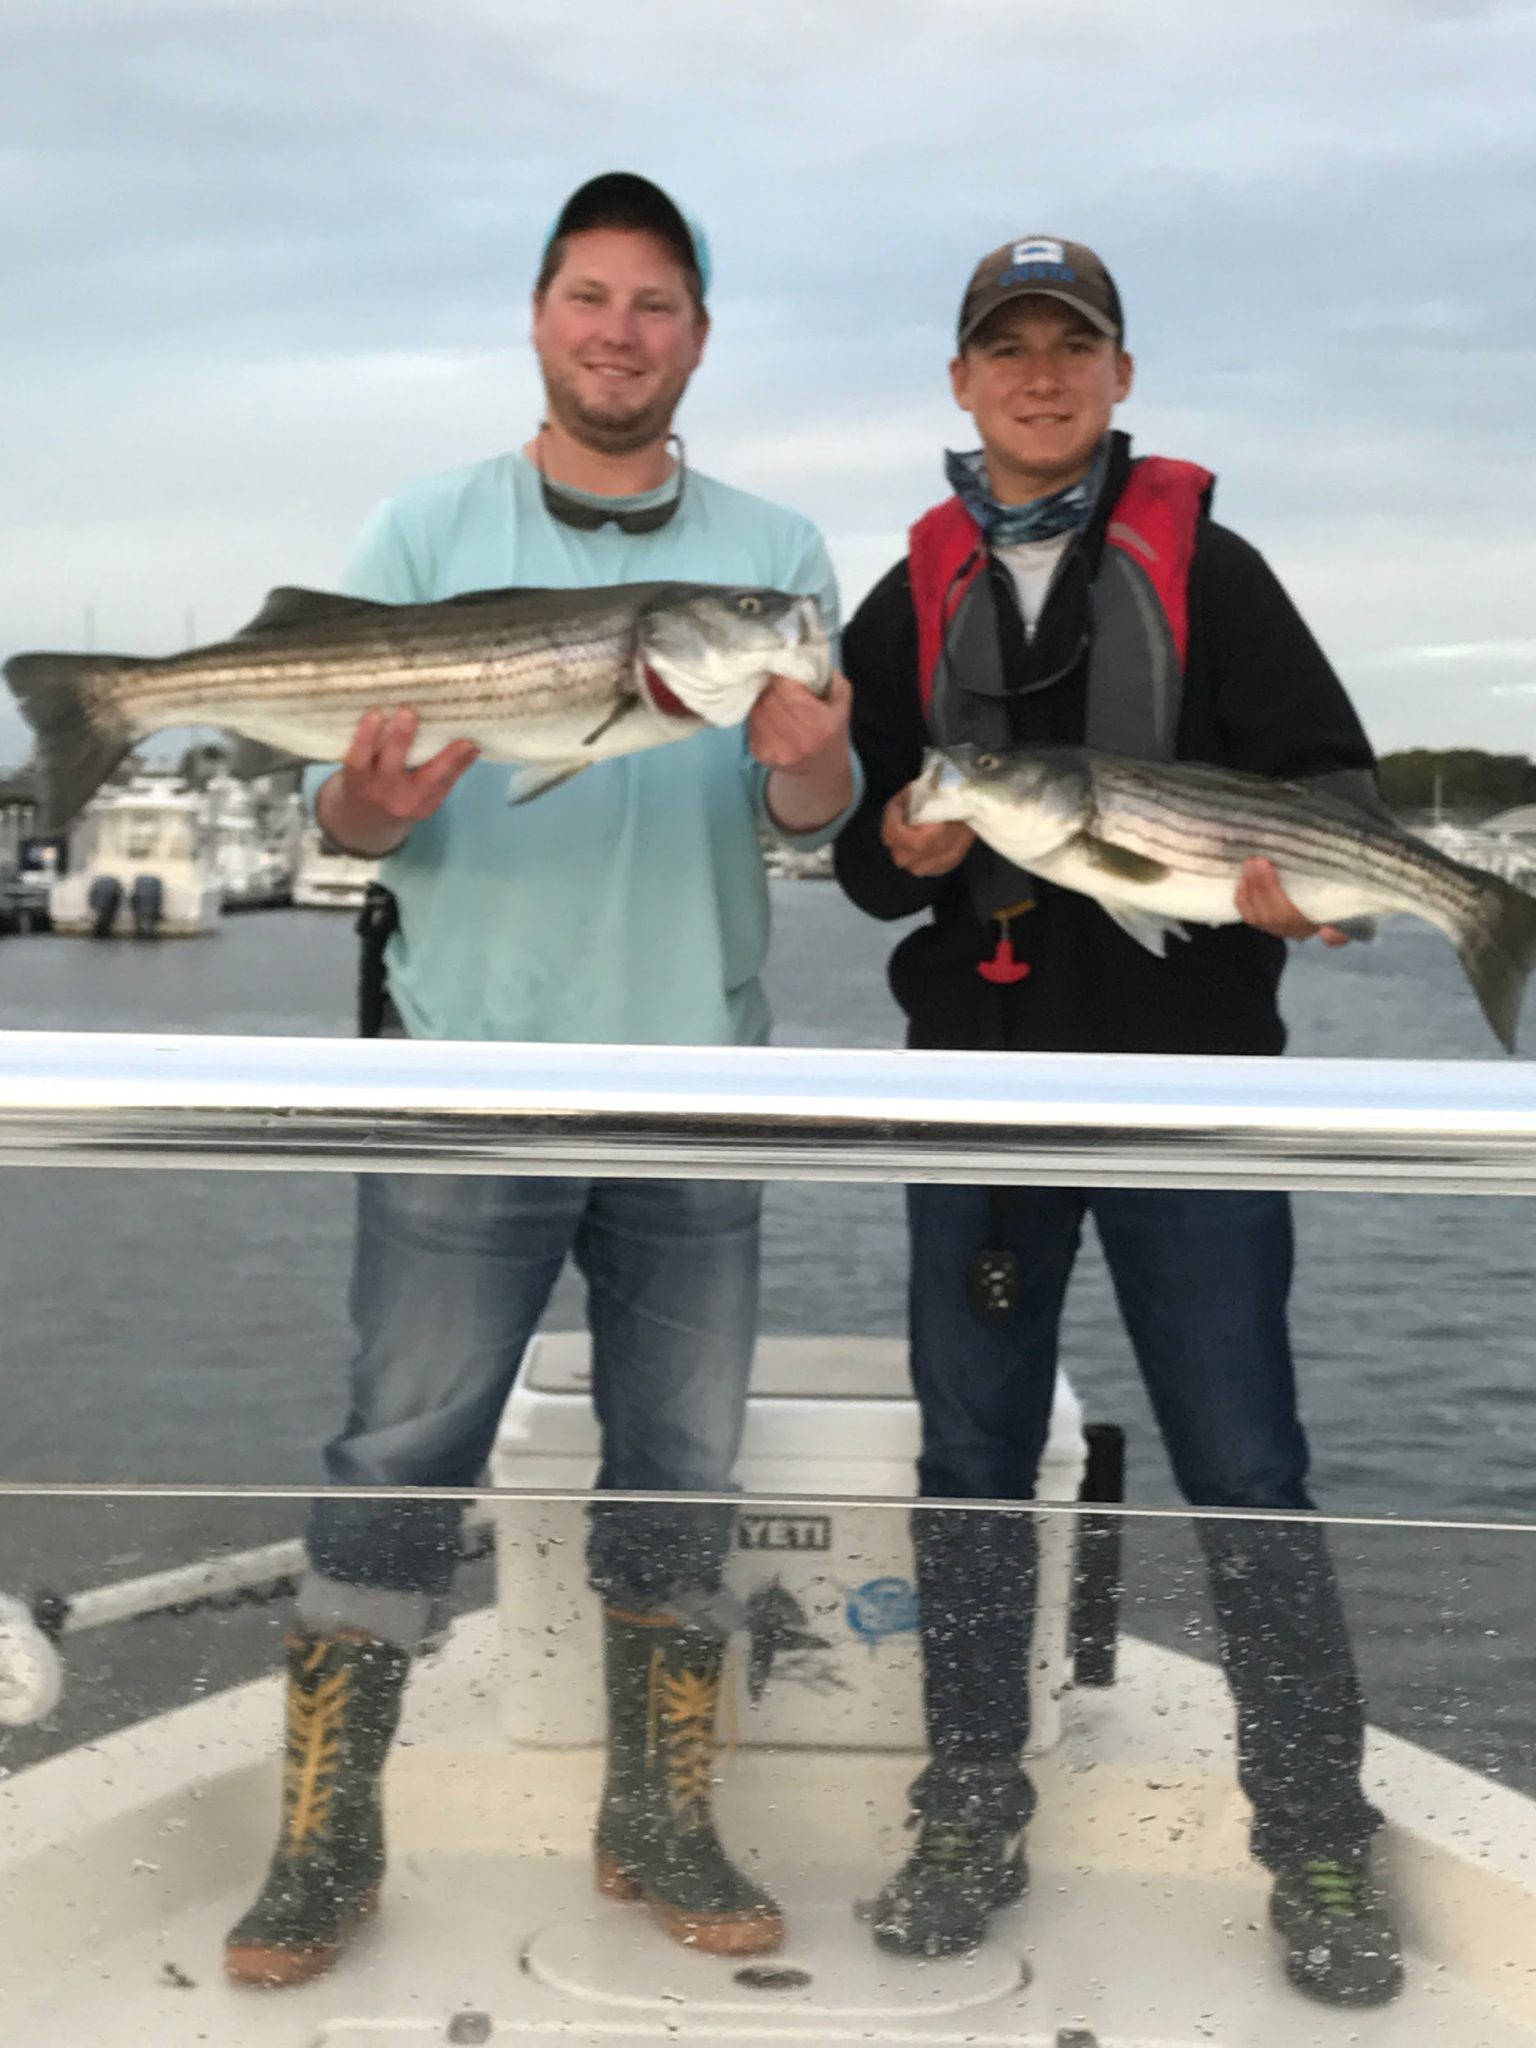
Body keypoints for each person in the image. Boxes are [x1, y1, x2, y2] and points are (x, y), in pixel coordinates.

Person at [224, 171, 857, 1987]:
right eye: (590, 296)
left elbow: (808, 813)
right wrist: (369, 802)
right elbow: (336, 811)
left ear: (700, 338)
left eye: (656, 305)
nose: (619, 333)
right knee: (402, 1439)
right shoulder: (428, 526)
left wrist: (806, 752)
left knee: (680, 1455)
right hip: (466, 1068)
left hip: (697, 1075)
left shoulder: (777, 558)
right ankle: (325, 1834)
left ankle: (656, 1814)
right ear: (539, 316)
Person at [832, 233, 1404, 2008]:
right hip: (984, 1090)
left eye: (1071, 345)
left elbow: (1337, 793)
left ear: (1121, 377)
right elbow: (858, 862)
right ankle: (969, 1802)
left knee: (1249, 1462)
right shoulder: (905, 596)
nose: (1039, 375)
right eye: (1006, 348)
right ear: (960, 383)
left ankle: (1315, 1826)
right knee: (973, 1464)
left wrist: (1316, 888)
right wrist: (901, 850)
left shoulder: (1213, 571)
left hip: (1193, 1096)